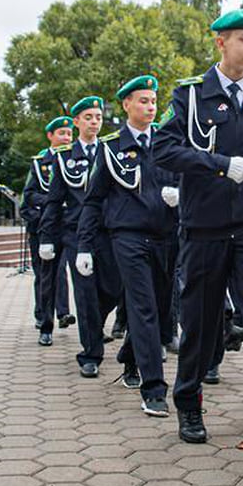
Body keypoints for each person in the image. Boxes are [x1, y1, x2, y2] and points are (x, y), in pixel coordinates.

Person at [152, 9, 243, 468]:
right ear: (220, 44)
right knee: (200, 323)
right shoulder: (192, 96)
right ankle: (189, 402)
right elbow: (164, 149)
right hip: (205, 228)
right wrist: (216, 163)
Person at [76, 76, 176, 413]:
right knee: (142, 306)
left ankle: (130, 357)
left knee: (161, 310)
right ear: (126, 105)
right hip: (127, 237)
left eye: (153, 101)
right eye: (143, 101)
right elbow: (93, 200)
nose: (150, 107)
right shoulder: (110, 148)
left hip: (165, 236)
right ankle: (155, 390)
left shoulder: (166, 142)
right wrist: (84, 246)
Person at [43, 97, 120, 351]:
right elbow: (54, 201)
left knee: (114, 287)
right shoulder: (65, 157)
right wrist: (46, 237)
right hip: (76, 233)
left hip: (108, 231)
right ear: (77, 122)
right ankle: (90, 353)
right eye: (89, 117)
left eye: (98, 117)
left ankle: (95, 323)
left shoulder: (111, 150)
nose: (95, 122)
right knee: (85, 292)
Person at [20, 118, 75, 346]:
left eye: (69, 134)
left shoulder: (75, 159)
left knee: (63, 271)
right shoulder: (40, 162)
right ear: (50, 136)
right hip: (44, 227)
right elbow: (28, 197)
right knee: (45, 275)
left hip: (69, 225)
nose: (66, 137)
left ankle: (62, 313)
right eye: (62, 133)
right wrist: (51, 205)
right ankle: (44, 319)